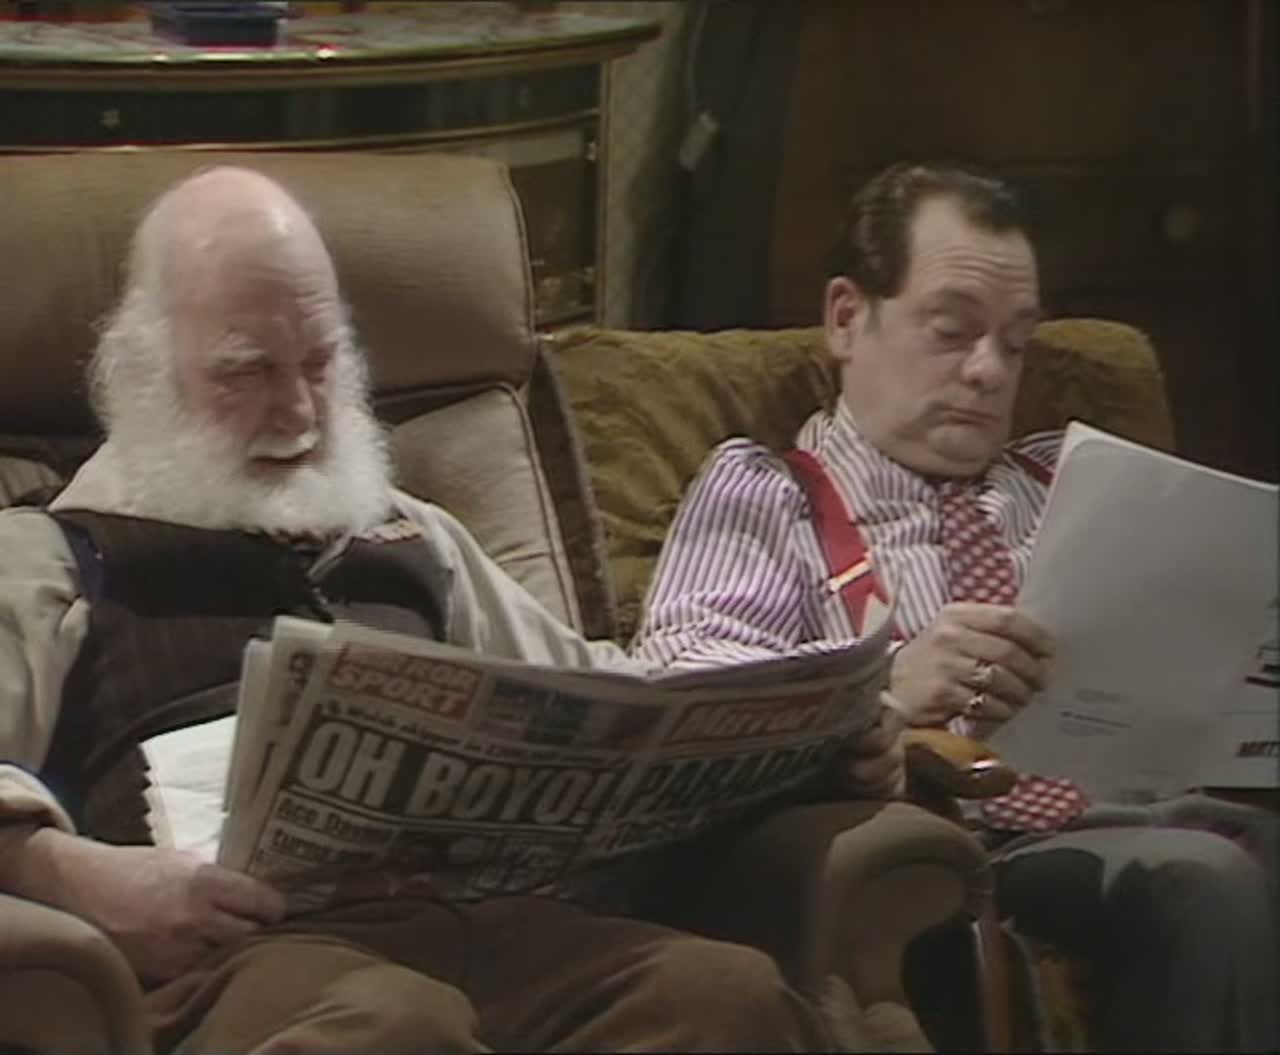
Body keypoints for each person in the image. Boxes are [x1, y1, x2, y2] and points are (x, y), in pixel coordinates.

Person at [0, 166, 902, 1053]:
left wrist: (815, 741)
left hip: (488, 931)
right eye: (248, 371)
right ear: (146, 373)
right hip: (241, 961)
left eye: (320, 362)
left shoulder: (414, 535)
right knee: (397, 1024)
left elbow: (614, 698)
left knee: (722, 992)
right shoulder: (54, 556)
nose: (300, 409)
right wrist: (69, 873)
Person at [632, 161, 1279, 1053]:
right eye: (952, 332)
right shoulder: (771, 494)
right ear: (847, 318)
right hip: (959, 846)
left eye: (1014, 343)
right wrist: (883, 691)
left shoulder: (1080, 485)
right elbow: (683, 697)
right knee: (1202, 881)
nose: (987, 371)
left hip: (1157, 801)